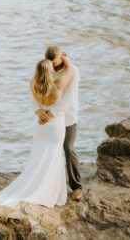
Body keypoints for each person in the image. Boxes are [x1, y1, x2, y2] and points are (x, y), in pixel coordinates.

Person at [0, 55, 75, 207]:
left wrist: (40, 113)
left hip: (41, 126)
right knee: (54, 156)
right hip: (55, 124)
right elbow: (69, 76)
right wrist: (64, 58)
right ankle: (49, 191)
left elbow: (33, 103)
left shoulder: (33, 84)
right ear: (49, 71)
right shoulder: (57, 85)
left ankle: (37, 185)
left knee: (39, 156)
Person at [37, 45, 82, 200]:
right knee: (48, 149)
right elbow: (35, 91)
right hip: (48, 118)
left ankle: (76, 186)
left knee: (68, 148)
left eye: (54, 63)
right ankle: (48, 184)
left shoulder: (73, 71)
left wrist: (51, 113)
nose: (52, 65)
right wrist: (39, 111)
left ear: (62, 57)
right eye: (49, 62)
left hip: (67, 115)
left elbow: (68, 98)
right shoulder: (45, 68)